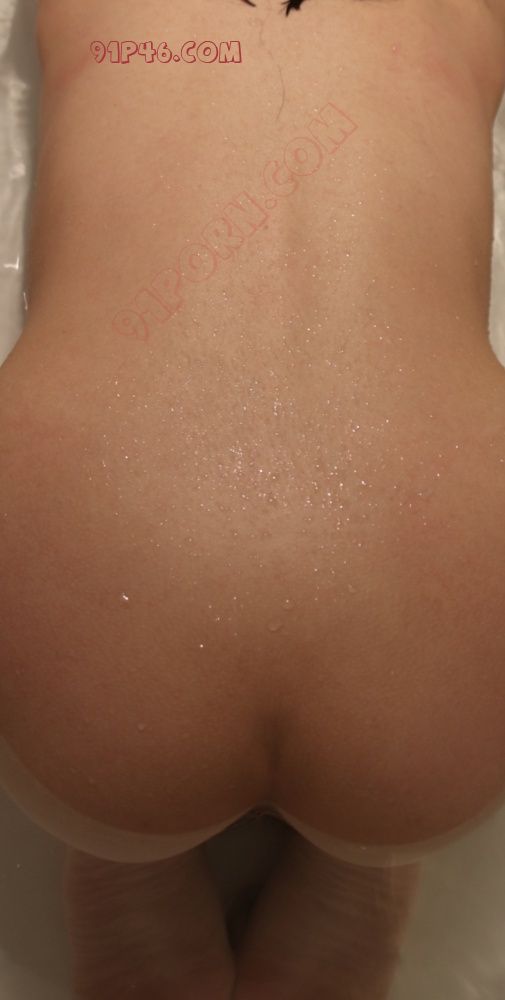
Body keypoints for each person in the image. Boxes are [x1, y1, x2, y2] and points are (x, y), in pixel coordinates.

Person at [1, 0, 505, 996]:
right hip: (440, 625)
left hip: (93, 624)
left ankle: (121, 862)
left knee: (115, 785)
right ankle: (366, 863)